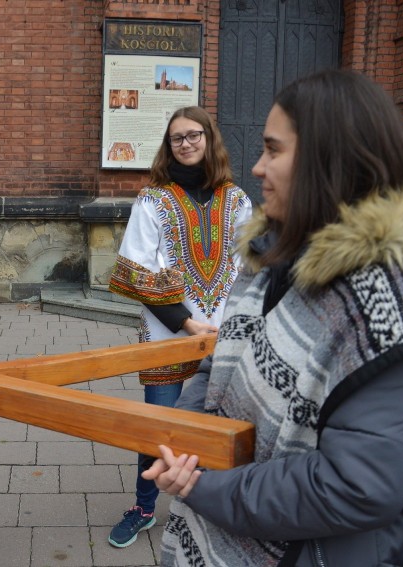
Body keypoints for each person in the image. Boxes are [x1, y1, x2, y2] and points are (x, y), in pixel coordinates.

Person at [143, 69, 403, 567]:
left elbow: (356, 487)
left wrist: (205, 484)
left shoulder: (400, 310)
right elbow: (222, 369)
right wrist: (183, 438)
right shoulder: (272, 256)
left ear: (331, 160)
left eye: (273, 150)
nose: (257, 167)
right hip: (218, 538)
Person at [107, 106, 252, 548]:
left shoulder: (238, 199)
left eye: (194, 135)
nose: (186, 144)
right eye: (177, 139)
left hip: (223, 340)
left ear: (210, 140)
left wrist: (233, 324)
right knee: (157, 425)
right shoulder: (153, 200)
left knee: (218, 425)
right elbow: (136, 270)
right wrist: (187, 323)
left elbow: (252, 266)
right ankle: (144, 507)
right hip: (168, 337)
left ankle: (211, 506)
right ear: (168, 147)